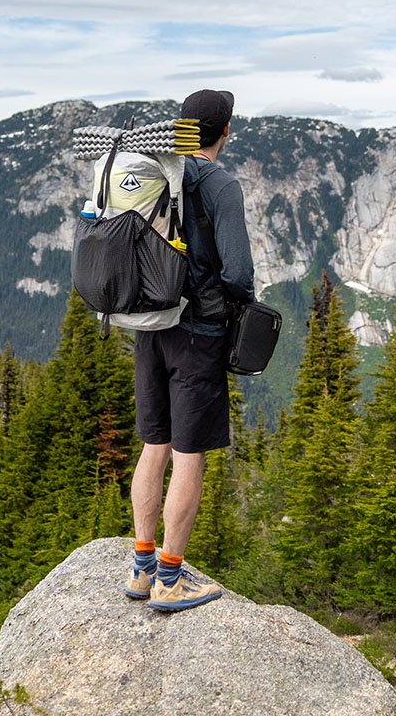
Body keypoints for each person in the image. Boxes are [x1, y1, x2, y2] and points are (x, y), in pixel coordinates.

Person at [124, 89, 256, 611]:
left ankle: (141, 568)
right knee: (188, 454)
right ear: (226, 132)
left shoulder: (157, 173)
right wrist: (239, 309)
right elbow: (239, 272)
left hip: (149, 323)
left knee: (153, 445)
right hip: (197, 333)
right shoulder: (221, 185)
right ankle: (172, 579)